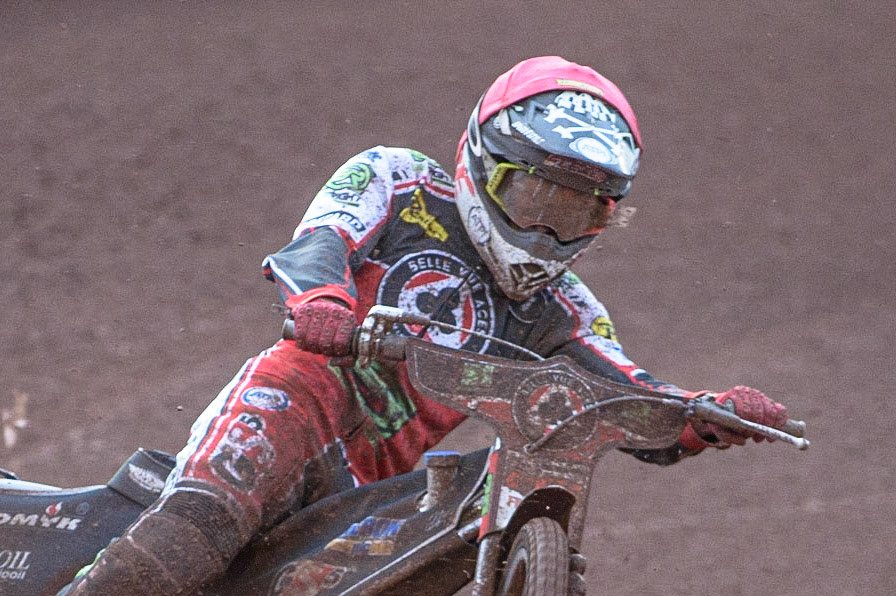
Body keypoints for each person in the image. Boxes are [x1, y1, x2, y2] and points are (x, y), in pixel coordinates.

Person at [63, 55, 787, 595]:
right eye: (533, 194)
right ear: (484, 161)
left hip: (371, 480)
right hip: (294, 399)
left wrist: (701, 415)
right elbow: (320, 242)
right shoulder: (401, 180)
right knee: (198, 531)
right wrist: (322, 303)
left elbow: (624, 390)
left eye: (575, 211)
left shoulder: (566, 311)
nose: (545, 229)